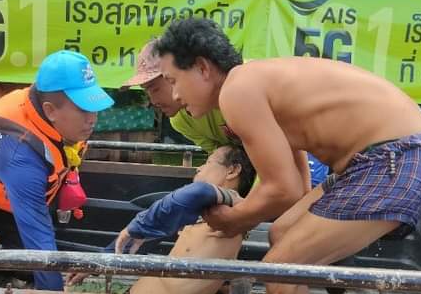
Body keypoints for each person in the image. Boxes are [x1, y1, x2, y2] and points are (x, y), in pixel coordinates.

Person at [155, 18, 421, 294]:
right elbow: (296, 185)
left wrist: (234, 220)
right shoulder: (256, 80)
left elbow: (282, 189)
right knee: (282, 233)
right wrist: (247, 215)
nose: (176, 95)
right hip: (393, 157)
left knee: (279, 276)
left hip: (396, 159)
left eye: (173, 81)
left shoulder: (236, 90)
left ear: (203, 68)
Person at [0, 50, 114, 292]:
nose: (93, 119)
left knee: (26, 266)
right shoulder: (22, 154)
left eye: (94, 107)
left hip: (6, 194)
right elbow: (40, 244)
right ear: (50, 111)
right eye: (84, 109)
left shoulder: (65, 123)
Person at [122, 41, 328, 188]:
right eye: (146, 91)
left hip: (305, 143)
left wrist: (244, 213)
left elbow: (280, 162)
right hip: (263, 156)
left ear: (175, 76)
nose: (152, 100)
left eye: (155, 88)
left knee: (294, 199)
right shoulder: (181, 121)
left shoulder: (241, 87)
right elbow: (224, 160)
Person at [67, 145, 256, 294]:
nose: (199, 168)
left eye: (208, 162)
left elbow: (197, 191)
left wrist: (139, 224)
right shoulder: (206, 209)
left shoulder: (235, 211)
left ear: (232, 170)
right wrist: (99, 261)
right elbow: (143, 237)